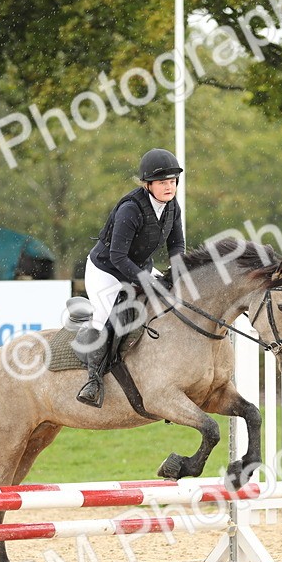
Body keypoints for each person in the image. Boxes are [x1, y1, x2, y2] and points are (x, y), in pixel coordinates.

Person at [76, 148, 186, 407]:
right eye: (163, 182)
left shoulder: (172, 208)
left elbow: (177, 245)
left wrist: (178, 273)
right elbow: (117, 256)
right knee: (106, 320)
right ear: (148, 184)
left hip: (139, 266)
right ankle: (93, 381)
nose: (169, 187)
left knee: (175, 302)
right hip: (106, 271)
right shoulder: (130, 209)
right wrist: (147, 282)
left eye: (172, 181)